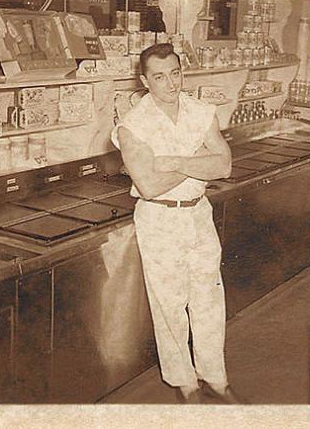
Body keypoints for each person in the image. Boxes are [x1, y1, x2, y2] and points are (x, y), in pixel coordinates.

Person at [110, 43, 240, 404]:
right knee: (169, 304)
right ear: (144, 81)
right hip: (160, 218)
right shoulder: (133, 125)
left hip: (198, 212)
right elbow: (149, 186)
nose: (170, 83)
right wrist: (198, 159)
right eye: (159, 77)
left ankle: (215, 378)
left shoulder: (201, 111)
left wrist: (174, 161)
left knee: (209, 299)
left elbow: (225, 167)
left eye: (175, 73)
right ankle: (186, 383)